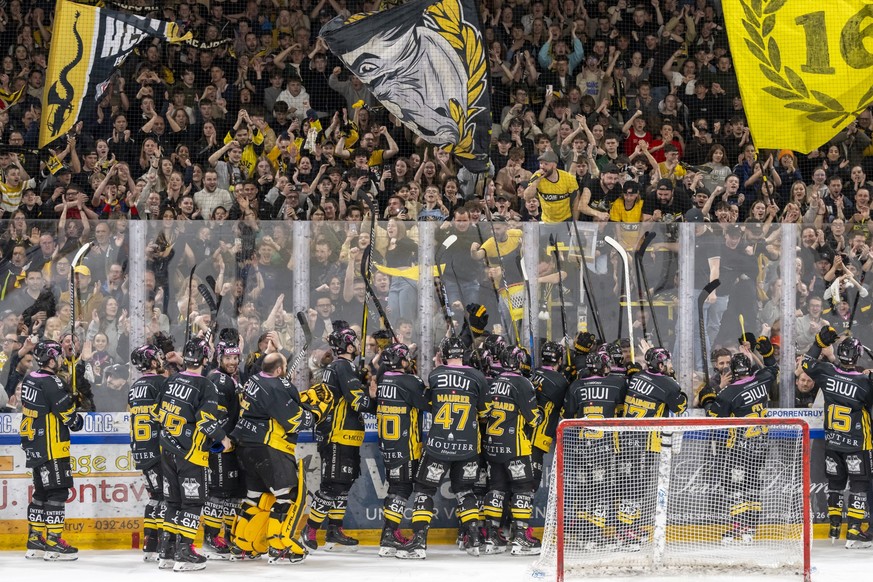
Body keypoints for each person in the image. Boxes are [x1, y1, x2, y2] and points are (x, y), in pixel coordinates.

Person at [231, 352, 334, 564]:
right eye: (285, 367)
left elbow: (273, 404)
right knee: (289, 496)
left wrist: (299, 398)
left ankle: (243, 544)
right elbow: (295, 421)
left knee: (256, 497)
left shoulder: (254, 379)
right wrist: (318, 411)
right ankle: (280, 546)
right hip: (270, 447)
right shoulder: (276, 387)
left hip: (246, 447)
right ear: (279, 370)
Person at [396, 336, 489, 559]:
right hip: (468, 447)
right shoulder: (477, 376)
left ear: (442, 355)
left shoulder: (435, 375)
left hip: (438, 446)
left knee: (424, 490)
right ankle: (474, 540)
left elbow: (430, 401)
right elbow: (485, 412)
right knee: (465, 491)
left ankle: (418, 543)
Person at [156, 337, 230, 572]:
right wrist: (223, 438)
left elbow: (158, 411)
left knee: (173, 501)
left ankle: (166, 551)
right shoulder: (206, 385)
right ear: (205, 359)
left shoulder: (171, 380)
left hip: (167, 449)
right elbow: (206, 421)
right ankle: (185, 551)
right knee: (192, 503)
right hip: (191, 453)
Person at [300, 322, 374, 551]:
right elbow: (359, 402)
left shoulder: (342, 367)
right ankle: (309, 529)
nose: (358, 345)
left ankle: (334, 531)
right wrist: (374, 397)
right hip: (337, 435)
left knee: (343, 485)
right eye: (355, 342)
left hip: (346, 435)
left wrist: (362, 381)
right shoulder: (342, 367)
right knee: (333, 485)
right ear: (348, 346)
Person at [701, 335, 778, 544]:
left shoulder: (730, 393)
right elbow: (773, 368)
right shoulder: (762, 379)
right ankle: (750, 528)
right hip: (761, 446)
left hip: (739, 449)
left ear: (733, 371)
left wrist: (709, 397)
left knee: (734, 487)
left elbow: (713, 416)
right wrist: (766, 353)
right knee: (753, 485)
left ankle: (739, 526)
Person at [801, 328, 873, 548]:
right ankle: (853, 531)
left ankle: (833, 527)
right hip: (857, 444)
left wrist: (818, 343)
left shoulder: (827, 372)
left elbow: (806, 364)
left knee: (835, 484)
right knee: (859, 484)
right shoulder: (864, 382)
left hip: (832, 443)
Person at [20, 340, 85, 561]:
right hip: (52, 446)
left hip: (34, 446)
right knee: (57, 492)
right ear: (50, 359)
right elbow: (71, 419)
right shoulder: (53, 383)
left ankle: (35, 540)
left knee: (41, 492)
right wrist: (74, 407)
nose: (60, 359)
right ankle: (53, 542)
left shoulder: (30, 378)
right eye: (57, 356)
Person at [618, 346, 687, 548]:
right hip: (646, 442)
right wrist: (672, 377)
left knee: (630, 485)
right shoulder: (667, 383)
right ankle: (625, 531)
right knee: (635, 487)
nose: (668, 364)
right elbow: (680, 406)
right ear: (660, 364)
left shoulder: (637, 376)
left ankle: (630, 525)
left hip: (626, 439)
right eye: (666, 362)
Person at [562, 350, 627, 548]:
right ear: (604, 367)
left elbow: (568, 414)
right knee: (601, 491)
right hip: (605, 448)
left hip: (582, 448)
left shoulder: (576, 385)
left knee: (583, 491)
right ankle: (594, 534)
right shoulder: (616, 383)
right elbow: (624, 407)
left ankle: (583, 534)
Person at [482, 346, 542, 555]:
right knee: (523, 489)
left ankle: (492, 537)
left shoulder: (493, 381)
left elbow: (483, 413)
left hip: (492, 446)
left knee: (496, 489)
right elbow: (533, 419)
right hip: (515, 447)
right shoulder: (522, 382)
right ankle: (521, 537)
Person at [374, 343, 429, 557]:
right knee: (401, 490)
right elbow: (427, 403)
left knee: (396, 489)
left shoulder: (383, 380)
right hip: (406, 447)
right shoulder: (410, 381)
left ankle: (388, 537)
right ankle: (389, 535)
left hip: (388, 447)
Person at [202, 339, 245, 559]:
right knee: (219, 491)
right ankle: (211, 536)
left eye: (235, 357)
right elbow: (215, 416)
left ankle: (228, 534)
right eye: (228, 358)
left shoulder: (231, 379)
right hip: (219, 445)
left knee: (232, 492)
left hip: (232, 444)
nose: (232, 362)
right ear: (219, 358)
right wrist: (223, 438)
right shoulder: (218, 379)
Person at [127, 344, 169, 562]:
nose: (162, 361)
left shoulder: (134, 387)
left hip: (141, 450)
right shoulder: (162, 383)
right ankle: (164, 546)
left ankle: (150, 545)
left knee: (154, 497)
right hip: (158, 449)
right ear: (153, 362)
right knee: (167, 498)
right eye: (159, 358)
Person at [529, 341, 570, 487]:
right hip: (538, 438)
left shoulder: (533, 373)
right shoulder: (560, 381)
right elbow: (567, 410)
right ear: (560, 360)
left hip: (521, 434)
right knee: (529, 486)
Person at [522, 150, 580, 223]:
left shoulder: (568, 178)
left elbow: (576, 200)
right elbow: (526, 197)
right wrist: (536, 181)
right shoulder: (536, 176)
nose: (542, 167)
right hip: (546, 220)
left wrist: (575, 221)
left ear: (554, 165)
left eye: (546, 164)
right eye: (541, 163)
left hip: (565, 220)